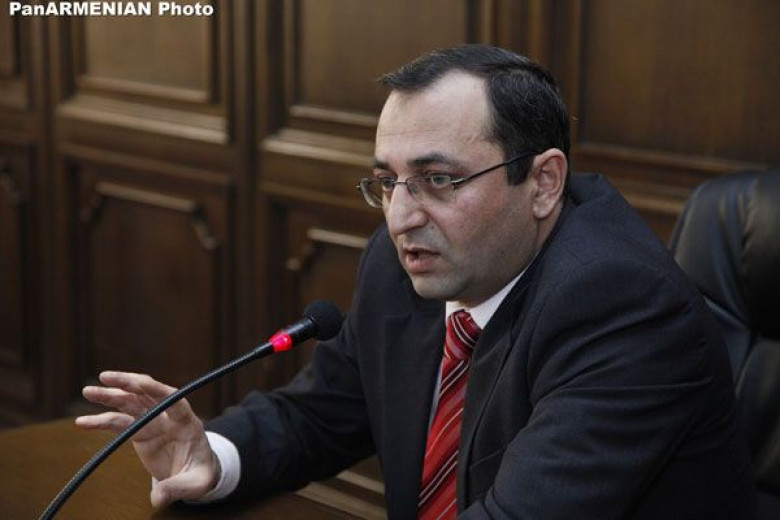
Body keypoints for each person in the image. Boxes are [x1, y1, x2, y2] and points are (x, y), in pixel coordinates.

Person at [76, 45, 756, 519]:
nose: (401, 217)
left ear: (543, 182)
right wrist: (214, 456)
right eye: (388, 181)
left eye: (438, 179)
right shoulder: (406, 261)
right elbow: (322, 412)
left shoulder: (622, 306)